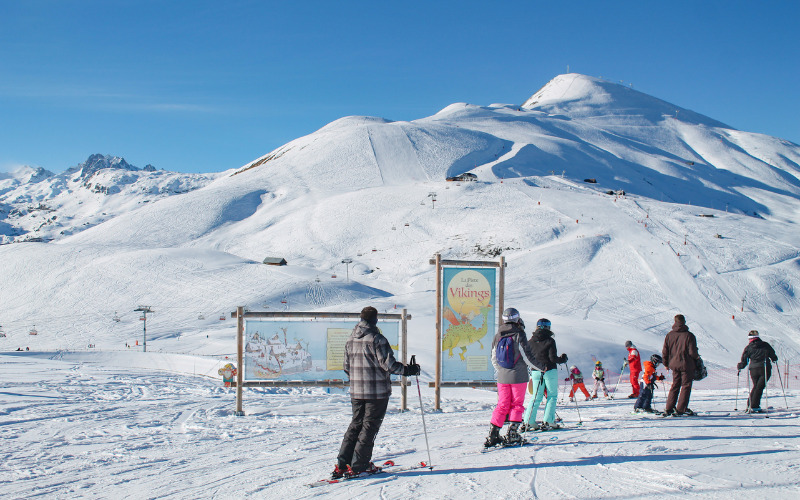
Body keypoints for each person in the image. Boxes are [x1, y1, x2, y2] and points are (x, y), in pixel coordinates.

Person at [333, 306, 420, 478]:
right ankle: (359, 466)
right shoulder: (377, 339)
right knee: (369, 427)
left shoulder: (350, 339)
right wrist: (408, 370)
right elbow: (389, 365)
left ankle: (343, 464)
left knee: (355, 425)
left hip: (356, 391)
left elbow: (346, 366)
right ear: (375, 319)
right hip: (376, 392)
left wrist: (357, 379)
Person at [484, 308, 541, 447]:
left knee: (502, 405)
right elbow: (527, 357)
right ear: (517, 319)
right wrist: (541, 367)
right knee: (517, 404)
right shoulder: (519, 334)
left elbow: (493, 357)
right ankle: (513, 434)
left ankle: (493, 435)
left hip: (502, 376)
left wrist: (502, 371)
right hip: (518, 376)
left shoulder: (497, 335)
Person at [520, 318, 568, 432]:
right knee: (552, 396)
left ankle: (528, 421)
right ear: (548, 327)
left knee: (536, 397)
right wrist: (562, 359)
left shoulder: (531, 341)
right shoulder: (550, 340)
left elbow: (529, 357)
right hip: (550, 370)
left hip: (536, 371)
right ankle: (548, 421)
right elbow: (552, 358)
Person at [661, 314, 699, 416]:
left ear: (675, 322)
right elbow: (692, 352)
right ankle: (681, 408)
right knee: (686, 386)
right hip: (687, 364)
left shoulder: (669, 335)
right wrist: (697, 358)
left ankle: (669, 408)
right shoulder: (689, 335)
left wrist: (665, 363)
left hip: (674, 364)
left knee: (675, 385)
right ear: (684, 322)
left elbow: (665, 350)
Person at [736, 330, 778, 413]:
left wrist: (740, 366)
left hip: (753, 370)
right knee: (759, 387)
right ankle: (754, 406)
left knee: (756, 386)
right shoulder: (765, 345)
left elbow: (744, 360)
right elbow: (772, 354)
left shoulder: (748, 348)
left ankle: (750, 405)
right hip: (765, 368)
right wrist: (774, 359)